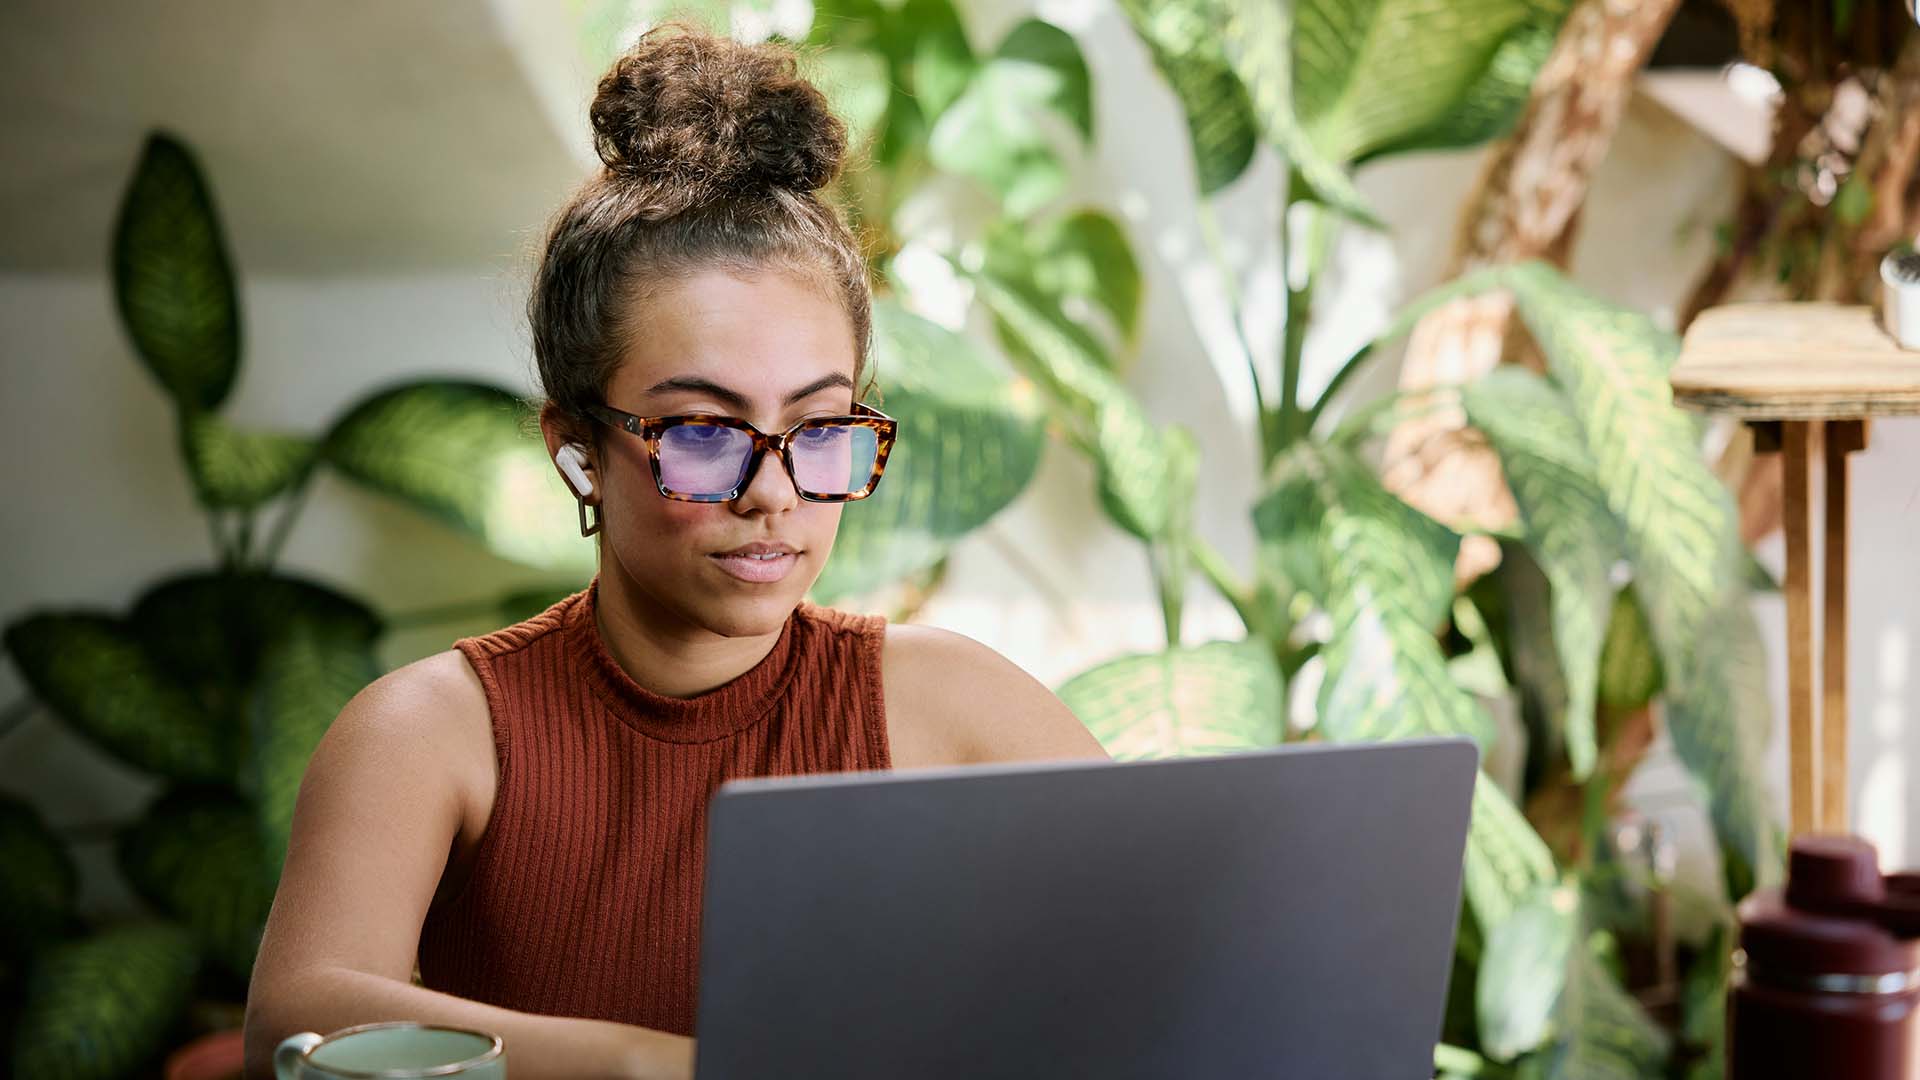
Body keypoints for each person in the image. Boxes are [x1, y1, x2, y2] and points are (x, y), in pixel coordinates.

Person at [241, 21, 1106, 1080]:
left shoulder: (949, 703)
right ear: (580, 452)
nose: (776, 494)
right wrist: (657, 1065)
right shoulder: (434, 732)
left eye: (819, 429)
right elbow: (296, 1015)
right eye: (703, 434)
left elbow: (1183, 937)